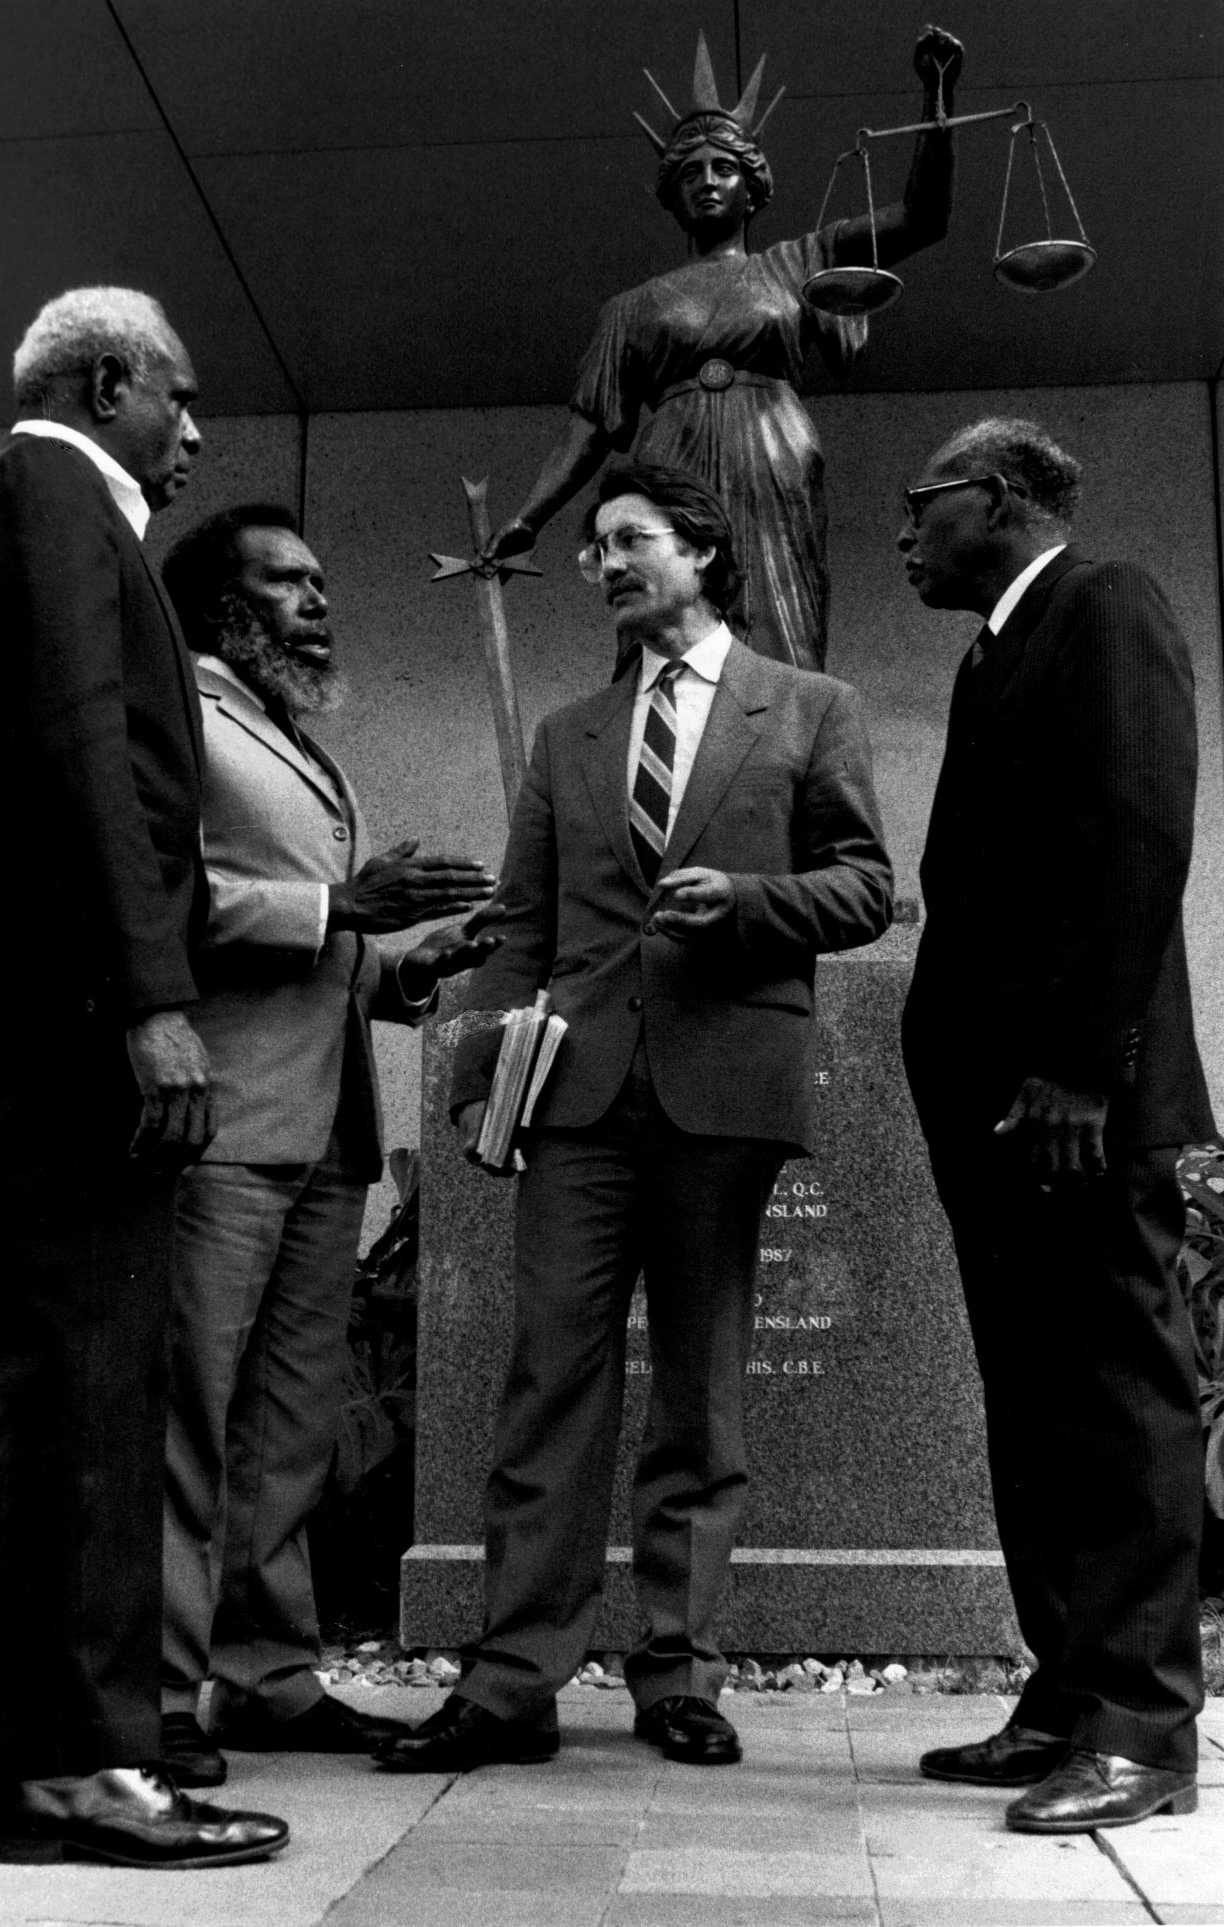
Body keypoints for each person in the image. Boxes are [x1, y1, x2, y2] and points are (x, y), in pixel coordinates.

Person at [375, 461, 892, 1774]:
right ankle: (509, 1683)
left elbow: (867, 887)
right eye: (596, 545)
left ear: (704, 552)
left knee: (701, 1393)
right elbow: (523, 929)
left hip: (724, 1086)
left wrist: (753, 905)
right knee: (550, 1375)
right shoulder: (567, 737)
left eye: (629, 540)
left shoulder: (809, 709)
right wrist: (482, 1059)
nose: (603, 562)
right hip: (581, 1098)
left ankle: (677, 1669)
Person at [0, 289, 287, 1868]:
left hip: (3, 1016)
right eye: (179, 400)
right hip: (79, 1023)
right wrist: (151, 998)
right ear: (109, 381)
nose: (194, 433)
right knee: (89, 1383)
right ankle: (74, 1763)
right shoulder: (66, 498)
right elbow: (81, 746)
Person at [897, 418, 1213, 1833]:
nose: (906, 531)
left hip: (1083, 1105)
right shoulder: (988, 656)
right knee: (1033, 1398)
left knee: (1122, 1391)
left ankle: (1145, 1727)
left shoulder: (1105, 605)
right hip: (1000, 1114)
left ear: (1005, 497)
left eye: (925, 505)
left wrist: (1089, 1066)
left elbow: (1139, 835)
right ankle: (1066, 1692)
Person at [155, 505, 500, 1788]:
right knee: (188, 1412)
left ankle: (263, 1674)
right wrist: (335, 904)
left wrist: (412, 967)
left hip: (324, 1127)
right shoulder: (178, 718)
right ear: (218, 608)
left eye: (318, 578)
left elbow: (320, 952)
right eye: (284, 582)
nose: (317, 600)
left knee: (288, 1422)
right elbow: (154, 899)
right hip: (220, 1122)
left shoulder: (294, 733)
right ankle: (153, 1691)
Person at [480, 27, 962, 670]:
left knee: (779, 617)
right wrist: (529, 518)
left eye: (724, 168)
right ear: (672, 195)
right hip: (669, 466)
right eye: (690, 173)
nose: (707, 182)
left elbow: (922, 218)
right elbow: (592, 426)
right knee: (665, 616)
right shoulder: (631, 308)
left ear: (752, 186)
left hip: (769, 456)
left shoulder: (802, 261)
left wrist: (937, 98)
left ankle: (782, 742)